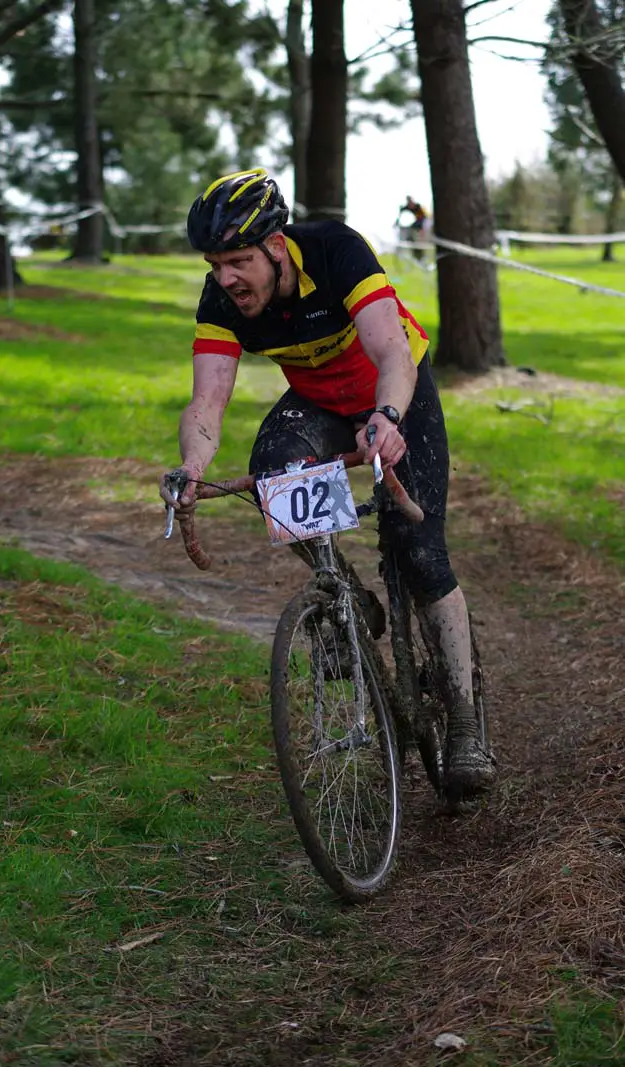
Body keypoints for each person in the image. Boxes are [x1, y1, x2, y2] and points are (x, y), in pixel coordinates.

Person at [160, 167, 495, 798]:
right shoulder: (221, 301)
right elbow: (207, 401)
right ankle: (344, 594)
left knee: (420, 552)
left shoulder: (337, 250)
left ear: (277, 246)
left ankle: (464, 722)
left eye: (237, 261)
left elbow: (391, 352)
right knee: (275, 473)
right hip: (317, 402)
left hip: (396, 391)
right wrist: (191, 468)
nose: (226, 278)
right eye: (215, 263)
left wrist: (388, 418)